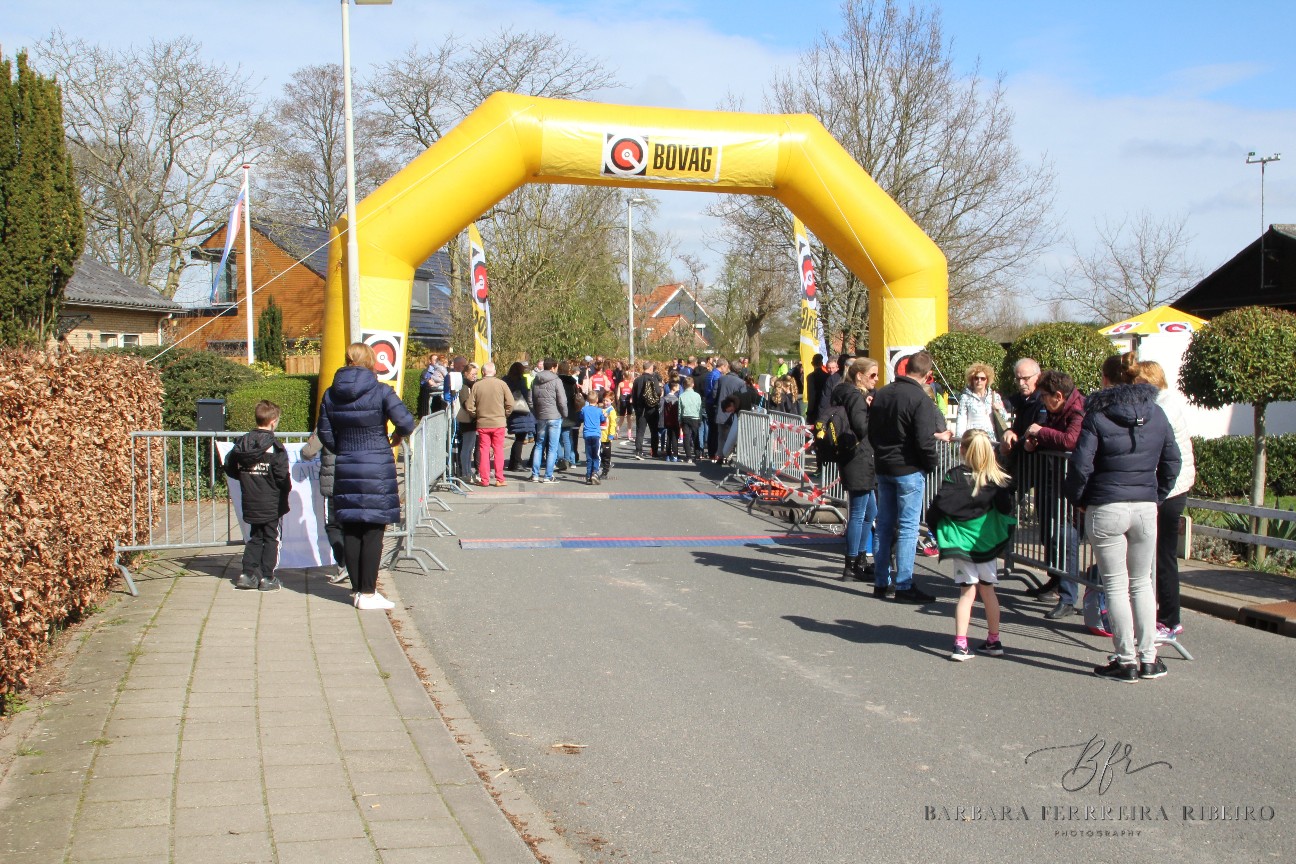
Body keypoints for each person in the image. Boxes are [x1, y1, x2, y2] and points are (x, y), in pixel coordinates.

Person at [1065, 352, 1181, 682]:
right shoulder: (1157, 413)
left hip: (1106, 505)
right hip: (1144, 506)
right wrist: (1156, 495)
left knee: (1115, 585)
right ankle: (1149, 658)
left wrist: (1079, 499)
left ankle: (1126, 660)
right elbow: (1173, 461)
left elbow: (1080, 465)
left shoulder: (1098, 414)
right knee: (1142, 583)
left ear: (1105, 380)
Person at [317, 343, 416, 610]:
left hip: (347, 463)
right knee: (373, 529)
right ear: (371, 361)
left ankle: (358, 590)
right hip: (376, 464)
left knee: (351, 528)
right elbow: (406, 422)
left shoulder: (331, 394)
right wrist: (396, 436)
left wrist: (344, 448)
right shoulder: (381, 390)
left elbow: (324, 433)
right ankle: (369, 592)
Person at [926, 429, 1017, 661]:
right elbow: (1006, 508)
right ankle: (994, 640)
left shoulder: (954, 476)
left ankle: (960, 645)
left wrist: (935, 529)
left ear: (963, 449)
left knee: (967, 593)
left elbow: (938, 507)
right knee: (988, 590)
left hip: (961, 542)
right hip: (986, 541)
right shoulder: (996, 478)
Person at [868, 350, 949, 603]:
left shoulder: (882, 393)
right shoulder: (920, 398)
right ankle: (903, 584)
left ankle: (881, 582)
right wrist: (931, 464)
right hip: (909, 468)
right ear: (927, 374)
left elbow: (872, 431)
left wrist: (882, 454)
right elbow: (925, 440)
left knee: (884, 525)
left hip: (884, 465)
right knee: (907, 527)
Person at [1135, 360, 1196, 643]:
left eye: (1137, 383)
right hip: (1171, 486)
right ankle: (1162, 615)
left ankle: (1170, 619)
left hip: (1169, 490)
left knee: (1163, 555)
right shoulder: (1163, 403)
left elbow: (1165, 453)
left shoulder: (1162, 409)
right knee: (1159, 554)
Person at [1022, 369, 1086, 620]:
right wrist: (1034, 442)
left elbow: (1070, 440)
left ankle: (1068, 597)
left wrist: (1041, 432)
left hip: (1068, 485)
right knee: (1049, 534)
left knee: (1065, 537)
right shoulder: (1056, 409)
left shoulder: (1078, 410)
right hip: (1051, 479)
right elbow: (1049, 434)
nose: (1042, 401)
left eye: (1045, 397)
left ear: (1058, 396)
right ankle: (1056, 580)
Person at [223, 400, 292, 592]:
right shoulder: (275, 447)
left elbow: (229, 466)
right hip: (271, 500)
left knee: (254, 536)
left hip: (250, 498)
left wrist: (245, 477)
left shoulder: (242, 443)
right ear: (273, 421)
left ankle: (247, 575)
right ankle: (268, 577)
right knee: (270, 537)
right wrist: (285, 491)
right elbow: (282, 476)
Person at [830, 358, 880, 582]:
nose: (876, 379)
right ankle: (851, 564)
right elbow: (862, 427)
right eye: (873, 375)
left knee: (869, 512)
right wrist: (874, 414)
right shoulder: (855, 396)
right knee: (859, 513)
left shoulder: (844, 392)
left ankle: (859, 559)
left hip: (854, 456)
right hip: (858, 458)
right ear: (859, 376)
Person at [301, 432, 349, 585]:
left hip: (334, 484)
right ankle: (355, 564)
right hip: (356, 481)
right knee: (352, 526)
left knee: (333, 526)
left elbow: (307, 452)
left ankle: (344, 563)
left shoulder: (326, 424)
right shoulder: (359, 420)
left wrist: (312, 439)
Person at [464, 361, 514, 487]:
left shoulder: (477, 385)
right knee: (498, 450)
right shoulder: (502, 384)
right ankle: (500, 479)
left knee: (484, 451)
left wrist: (476, 415)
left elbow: (469, 406)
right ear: (495, 372)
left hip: (483, 423)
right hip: (499, 422)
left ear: (483, 372)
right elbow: (510, 403)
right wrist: (505, 414)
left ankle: (484, 479)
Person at [528, 358, 567, 484]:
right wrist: (564, 414)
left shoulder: (535, 380)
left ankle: (535, 474)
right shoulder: (556, 380)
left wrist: (536, 413)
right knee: (552, 447)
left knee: (539, 444)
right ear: (554, 367)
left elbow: (530, 400)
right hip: (554, 416)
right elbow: (562, 401)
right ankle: (548, 475)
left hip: (541, 416)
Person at [954, 363, 1007, 441]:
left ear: (987, 380)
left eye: (983, 378)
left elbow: (1005, 418)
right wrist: (960, 440)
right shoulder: (965, 398)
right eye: (976, 378)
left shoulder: (995, 397)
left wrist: (999, 409)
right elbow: (961, 420)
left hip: (991, 440)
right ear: (972, 380)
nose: (979, 381)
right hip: (973, 439)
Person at [502, 361, 534, 471]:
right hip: (522, 410)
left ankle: (513, 463)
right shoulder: (521, 381)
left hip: (511, 410)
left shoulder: (505, 380)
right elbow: (527, 395)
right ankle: (516, 463)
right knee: (520, 439)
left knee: (518, 438)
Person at [632, 361, 664, 460]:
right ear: (650, 368)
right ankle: (654, 451)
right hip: (652, 409)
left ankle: (638, 451)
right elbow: (658, 392)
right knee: (654, 431)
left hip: (641, 409)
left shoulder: (637, 380)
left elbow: (634, 396)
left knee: (640, 431)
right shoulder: (653, 379)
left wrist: (636, 408)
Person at [454, 362, 479, 482]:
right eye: (472, 374)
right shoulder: (464, 387)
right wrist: (474, 413)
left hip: (471, 420)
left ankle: (468, 471)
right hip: (467, 420)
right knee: (467, 448)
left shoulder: (472, 385)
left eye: (476, 374)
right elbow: (466, 404)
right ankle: (465, 472)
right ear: (466, 374)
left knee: (470, 448)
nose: (475, 376)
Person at [581, 390, 606, 484]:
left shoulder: (584, 409)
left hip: (587, 434)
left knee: (589, 456)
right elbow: (602, 420)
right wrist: (605, 416)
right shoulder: (599, 410)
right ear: (597, 400)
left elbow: (581, 417)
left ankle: (588, 476)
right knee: (596, 455)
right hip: (596, 434)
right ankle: (595, 473)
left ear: (587, 400)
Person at [678, 375, 703, 463]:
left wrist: (679, 420)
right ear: (693, 384)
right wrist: (700, 418)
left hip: (685, 417)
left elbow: (680, 410)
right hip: (695, 417)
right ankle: (697, 454)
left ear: (684, 385)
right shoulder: (697, 396)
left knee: (686, 436)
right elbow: (699, 408)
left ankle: (688, 456)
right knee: (696, 436)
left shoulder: (681, 396)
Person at [599, 390, 618, 480]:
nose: (605, 402)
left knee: (606, 455)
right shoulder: (601, 409)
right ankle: (605, 466)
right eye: (604, 400)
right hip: (600, 435)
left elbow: (613, 423)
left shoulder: (611, 411)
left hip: (607, 436)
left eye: (607, 401)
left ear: (612, 401)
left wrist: (611, 434)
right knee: (600, 454)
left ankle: (605, 471)